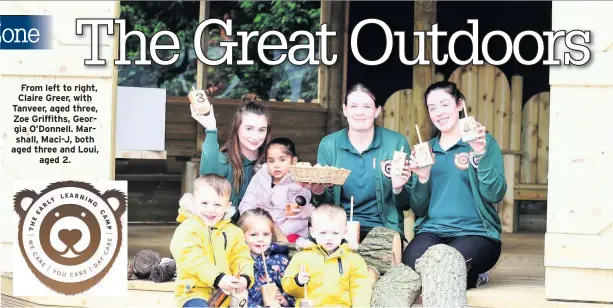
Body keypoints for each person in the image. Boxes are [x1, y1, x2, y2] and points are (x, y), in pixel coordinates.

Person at [402, 81, 506, 289]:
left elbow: (495, 193)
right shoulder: (426, 150)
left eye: (444, 105)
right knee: (411, 266)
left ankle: (475, 272)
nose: (439, 112)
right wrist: (422, 177)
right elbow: (419, 208)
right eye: (432, 108)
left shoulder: (483, 142)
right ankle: (470, 277)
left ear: (459, 105)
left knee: (448, 266)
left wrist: (479, 155)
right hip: (433, 231)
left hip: (477, 234)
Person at [299, 83, 413, 241]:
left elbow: (405, 204)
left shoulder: (396, 143)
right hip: (338, 228)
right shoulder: (329, 144)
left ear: (377, 111)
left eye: (367, 106)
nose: (360, 112)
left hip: (382, 228)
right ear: (345, 110)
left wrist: (398, 188)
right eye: (353, 106)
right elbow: (326, 205)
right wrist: (318, 192)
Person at [169, 174, 255, 307]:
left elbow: (241, 258)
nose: (210, 210)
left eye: (217, 204)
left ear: (227, 206)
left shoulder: (234, 232)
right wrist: (218, 278)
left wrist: (245, 277)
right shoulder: (188, 228)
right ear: (194, 202)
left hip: (225, 296)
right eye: (204, 203)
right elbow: (192, 259)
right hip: (194, 293)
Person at [191, 93, 272, 223]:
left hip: (261, 237)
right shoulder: (224, 161)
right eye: (249, 129)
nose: (256, 136)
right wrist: (211, 129)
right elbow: (208, 176)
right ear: (237, 128)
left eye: (261, 130)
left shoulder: (271, 165)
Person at [281, 204, 373, 307]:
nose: (329, 238)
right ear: (313, 232)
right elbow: (288, 287)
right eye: (323, 233)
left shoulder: (353, 259)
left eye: (335, 233)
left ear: (344, 232)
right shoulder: (302, 257)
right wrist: (297, 281)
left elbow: (361, 288)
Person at [239, 137, 314, 243]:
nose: (276, 165)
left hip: (287, 234)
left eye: (282, 160)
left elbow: (298, 219)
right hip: (260, 229)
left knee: (292, 241)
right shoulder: (260, 177)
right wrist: (255, 223)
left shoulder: (299, 183)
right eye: (271, 161)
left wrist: (276, 233)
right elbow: (247, 203)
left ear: (293, 161)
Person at [236, 208, 295, 308]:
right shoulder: (237, 262)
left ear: (272, 235)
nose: (260, 239)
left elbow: (292, 290)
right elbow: (236, 296)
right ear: (241, 235)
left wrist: (285, 301)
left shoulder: (281, 260)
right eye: (253, 235)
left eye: (266, 234)